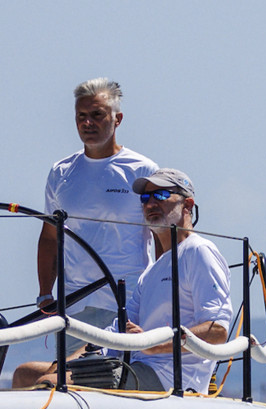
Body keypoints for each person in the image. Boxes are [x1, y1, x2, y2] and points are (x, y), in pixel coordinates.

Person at [15, 169, 232, 393]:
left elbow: (217, 331)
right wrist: (65, 362)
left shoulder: (199, 251)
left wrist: (151, 344)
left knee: (51, 384)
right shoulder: (150, 273)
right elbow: (117, 329)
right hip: (135, 366)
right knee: (25, 374)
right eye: (145, 198)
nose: (150, 204)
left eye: (160, 196)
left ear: (187, 204)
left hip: (171, 379)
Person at [16, 78, 159, 385]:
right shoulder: (61, 172)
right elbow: (49, 237)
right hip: (74, 305)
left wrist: (160, 300)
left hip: (127, 305)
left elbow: (161, 239)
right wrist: (44, 291)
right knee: (50, 382)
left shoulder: (142, 170)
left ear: (117, 119)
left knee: (73, 381)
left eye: (97, 115)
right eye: (81, 116)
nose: (87, 123)